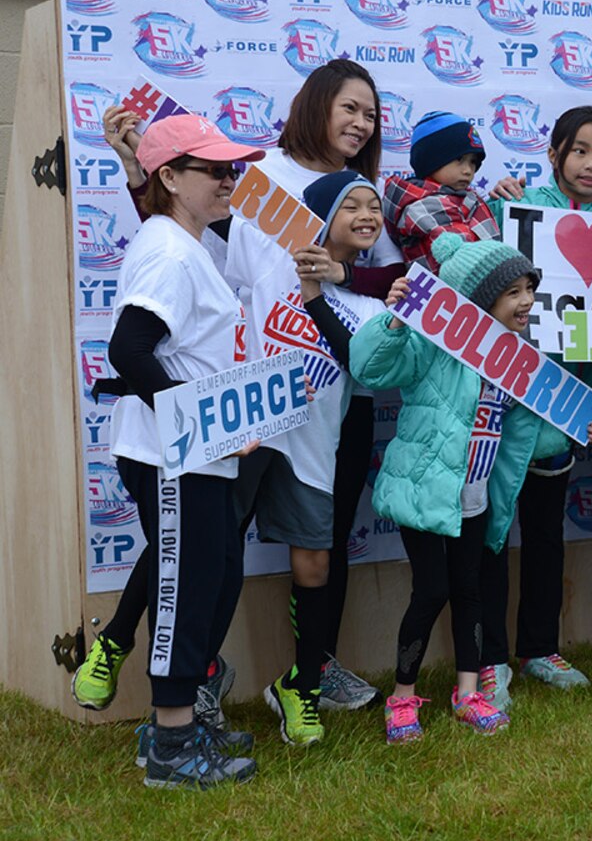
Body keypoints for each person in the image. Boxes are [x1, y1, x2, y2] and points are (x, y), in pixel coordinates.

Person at [85, 60, 402, 717]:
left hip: (322, 404)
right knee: (205, 543)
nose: (360, 122)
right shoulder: (256, 180)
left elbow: (396, 282)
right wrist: (136, 176)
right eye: (349, 107)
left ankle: (311, 671)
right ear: (314, 106)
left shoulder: (364, 192)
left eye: (370, 113)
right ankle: (153, 659)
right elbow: (184, 232)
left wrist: (336, 271)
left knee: (319, 546)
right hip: (246, 402)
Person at [350, 234, 592, 742]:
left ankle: (467, 693)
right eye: (513, 292)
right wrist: (393, 323)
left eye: (530, 288)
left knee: (471, 591)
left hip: (476, 496)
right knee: (431, 590)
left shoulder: (518, 358)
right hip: (425, 491)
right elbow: (369, 367)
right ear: (481, 300)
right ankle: (401, 697)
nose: (526, 300)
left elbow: (532, 429)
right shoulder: (433, 347)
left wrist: (578, 426)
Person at [101, 115, 269, 787]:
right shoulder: (170, 252)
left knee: (216, 577)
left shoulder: (187, 241)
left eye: (233, 169)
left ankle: (178, 725)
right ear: (170, 178)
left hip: (201, 454)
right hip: (173, 457)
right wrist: (195, 421)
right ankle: (171, 745)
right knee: (182, 591)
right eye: (215, 170)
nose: (230, 180)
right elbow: (127, 349)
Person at [224, 170, 404, 746]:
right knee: (216, 554)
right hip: (247, 434)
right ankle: (196, 682)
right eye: (351, 203)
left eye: (374, 207)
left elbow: (362, 361)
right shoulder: (272, 251)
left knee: (315, 568)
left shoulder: (369, 305)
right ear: (320, 213)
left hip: (311, 448)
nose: (367, 214)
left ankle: (299, 687)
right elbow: (198, 216)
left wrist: (324, 290)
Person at [483, 106, 592, 699]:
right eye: (581, 151)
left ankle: (538, 649)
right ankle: (489, 657)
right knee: (492, 535)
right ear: (554, 152)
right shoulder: (515, 207)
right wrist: (500, 206)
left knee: (546, 534)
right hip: (503, 398)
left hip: (565, 403)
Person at [381, 111, 501, 269]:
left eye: (473, 162)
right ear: (430, 161)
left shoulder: (465, 199)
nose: (468, 170)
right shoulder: (422, 208)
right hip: (453, 289)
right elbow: (464, 265)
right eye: (459, 160)